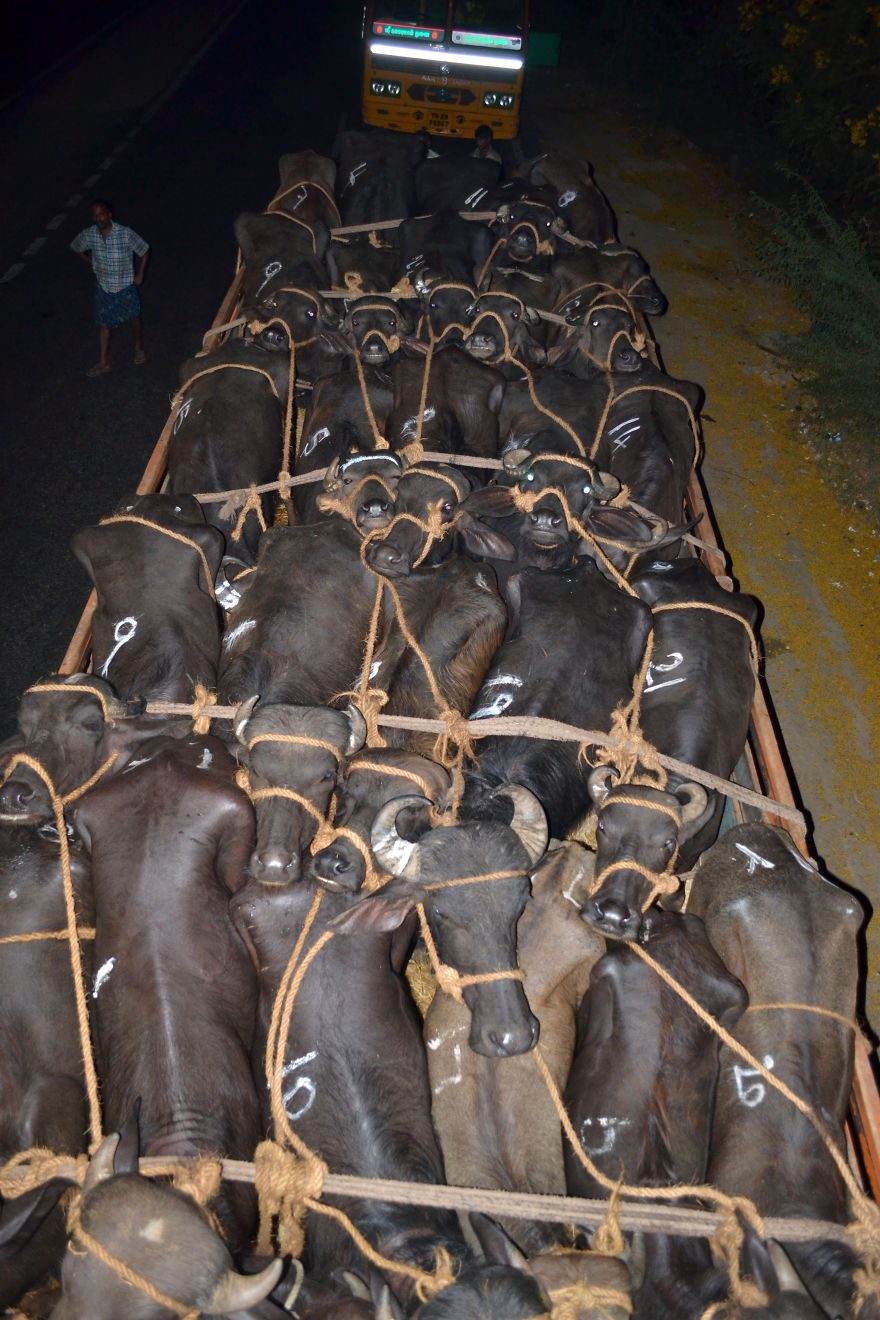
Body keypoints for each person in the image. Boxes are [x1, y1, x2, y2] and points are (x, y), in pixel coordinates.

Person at [70, 200, 150, 376]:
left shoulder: (124, 233)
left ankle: (138, 345)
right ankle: (104, 361)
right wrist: (91, 263)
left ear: (109, 214)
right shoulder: (90, 235)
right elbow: (76, 246)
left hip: (125, 285)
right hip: (104, 287)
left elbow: (144, 251)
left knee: (134, 317)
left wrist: (140, 275)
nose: (99, 217)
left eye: (102, 213)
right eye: (95, 215)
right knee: (104, 323)